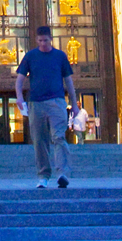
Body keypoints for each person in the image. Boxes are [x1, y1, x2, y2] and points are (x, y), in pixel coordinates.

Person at [14, 25, 77, 189]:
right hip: (36, 102)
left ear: (51, 39)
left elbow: (69, 81)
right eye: (40, 40)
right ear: (36, 40)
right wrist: (20, 97)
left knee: (58, 137)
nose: (43, 43)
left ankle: (62, 172)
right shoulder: (30, 56)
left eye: (45, 40)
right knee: (39, 140)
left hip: (56, 101)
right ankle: (43, 176)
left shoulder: (60, 56)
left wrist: (74, 104)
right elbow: (20, 79)